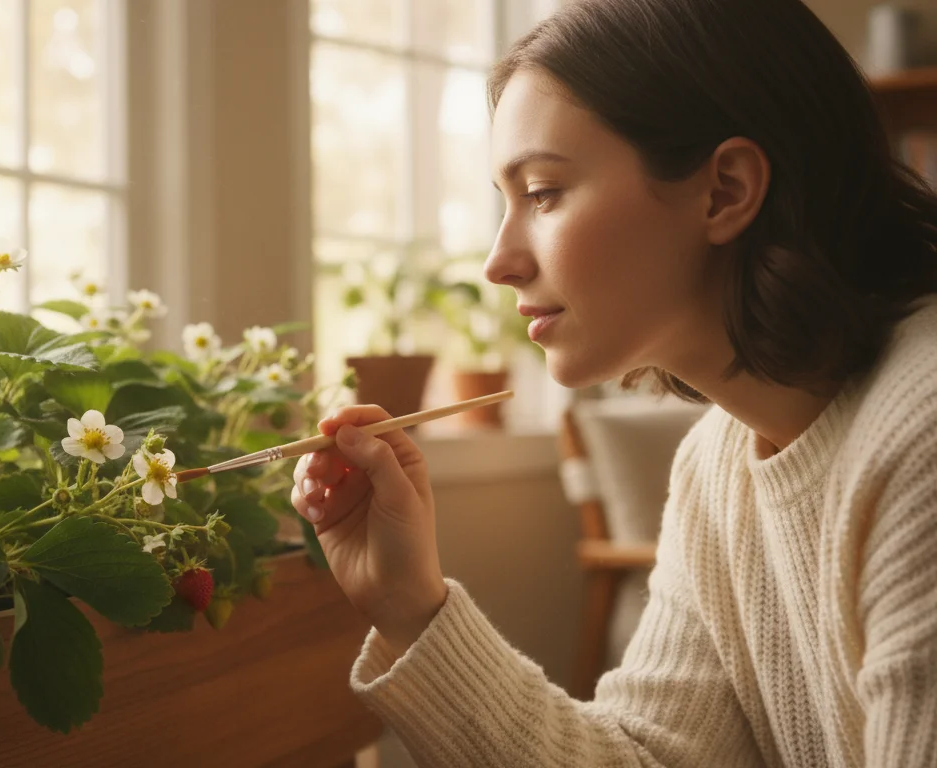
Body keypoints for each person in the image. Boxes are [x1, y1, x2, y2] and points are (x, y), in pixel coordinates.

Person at [291, 0, 937, 764]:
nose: (498, 262)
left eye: (542, 192)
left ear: (725, 190)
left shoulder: (920, 432)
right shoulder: (716, 470)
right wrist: (412, 607)